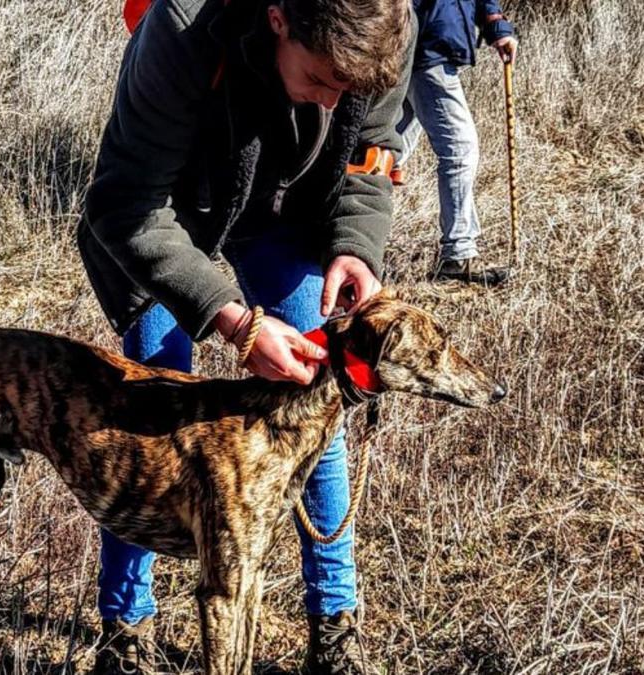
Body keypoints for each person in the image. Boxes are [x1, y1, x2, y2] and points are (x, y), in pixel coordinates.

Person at [77, 0, 415, 671]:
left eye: (349, 89)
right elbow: (125, 205)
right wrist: (234, 319)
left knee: (316, 391)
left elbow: (373, 155)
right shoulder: (181, 29)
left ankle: (335, 626)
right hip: (164, 218)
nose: (334, 102)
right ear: (279, 17)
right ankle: (126, 626)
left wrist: (356, 245)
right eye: (322, 82)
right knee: (151, 401)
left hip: (280, 212)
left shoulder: (387, 25)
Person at [398, 0, 518, 285]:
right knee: (460, 151)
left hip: (429, 45)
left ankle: (330, 233)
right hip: (425, 45)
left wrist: (495, 24)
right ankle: (457, 256)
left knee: (386, 150)